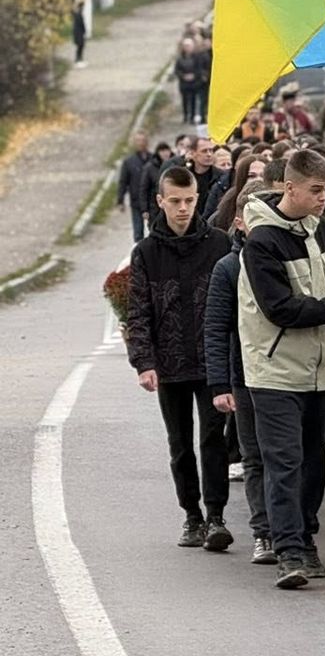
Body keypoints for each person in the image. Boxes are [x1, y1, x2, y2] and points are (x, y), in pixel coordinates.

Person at [239, 148, 325, 589]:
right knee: (284, 462)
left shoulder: (321, 230)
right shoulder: (261, 243)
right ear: (289, 187)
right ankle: (289, 551)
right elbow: (280, 308)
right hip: (275, 371)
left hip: (322, 368)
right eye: (315, 190)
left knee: (314, 462)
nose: (322, 197)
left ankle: (307, 540)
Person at [125, 165, 235, 551]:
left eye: (189, 201)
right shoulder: (146, 253)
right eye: (175, 202)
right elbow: (137, 311)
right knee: (180, 443)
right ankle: (191, 516)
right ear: (161, 201)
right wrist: (144, 361)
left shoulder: (219, 244)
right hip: (169, 363)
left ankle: (217, 515)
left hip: (211, 360)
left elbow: (234, 306)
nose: (183, 209)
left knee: (213, 438)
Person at [206, 181, 274, 564]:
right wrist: (220, 383)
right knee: (255, 456)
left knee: (288, 455)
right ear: (239, 222)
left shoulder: (286, 258)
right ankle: (264, 532)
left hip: (286, 371)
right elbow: (216, 328)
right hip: (245, 375)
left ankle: (292, 530)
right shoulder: (229, 267)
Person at [116, 129, 155, 243]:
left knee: (154, 230)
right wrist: (120, 200)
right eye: (138, 140)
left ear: (147, 142)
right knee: (138, 233)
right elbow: (123, 181)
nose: (141, 143)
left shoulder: (154, 159)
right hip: (136, 200)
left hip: (152, 201)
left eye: (143, 140)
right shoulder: (129, 162)